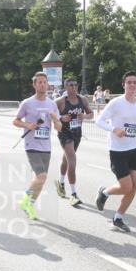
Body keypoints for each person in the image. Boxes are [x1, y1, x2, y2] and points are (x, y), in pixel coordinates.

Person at [94, 71, 136, 230]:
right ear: (124, 85)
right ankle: (105, 192)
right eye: (129, 82)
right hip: (117, 151)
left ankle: (118, 218)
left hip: (133, 149)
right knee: (126, 187)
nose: (132, 85)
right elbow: (98, 121)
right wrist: (114, 129)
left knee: (134, 187)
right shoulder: (116, 103)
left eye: (135, 82)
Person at [13, 72, 62, 220]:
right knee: (42, 176)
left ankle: (29, 204)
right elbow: (15, 121)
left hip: (46, 146)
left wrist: (55, 119)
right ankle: (25, 200)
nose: (42, 84)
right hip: (31, 144)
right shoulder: (27, 103)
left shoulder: (52, 104)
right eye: (39, 82)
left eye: (44, 82)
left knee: (40, 180)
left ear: (47, 84)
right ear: (34, 85)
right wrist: (27, 124)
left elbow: (59, 128)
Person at [54, 78, 93, 206]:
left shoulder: (83, 100)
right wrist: (60, 117)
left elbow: (91, 113)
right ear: (66, 87)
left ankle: (60, 182)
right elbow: (50, 115)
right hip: (64, 133)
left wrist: (85, 116)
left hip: (77, 133)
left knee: (66, 159)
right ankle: (73, 194)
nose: (74, 87)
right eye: (71, 85)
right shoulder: (60, 102)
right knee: (72, 159)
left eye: (76, 85)